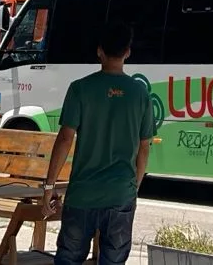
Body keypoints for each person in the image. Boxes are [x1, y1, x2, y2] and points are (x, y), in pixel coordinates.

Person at [43, 22, 154, 265]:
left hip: (82, 194)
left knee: (69, 259)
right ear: (128, 52)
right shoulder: (140, 93)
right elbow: (145, 146)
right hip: (121, 194)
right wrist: (133, 187)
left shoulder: (80, 89)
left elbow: (64, 139)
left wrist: (48, 186)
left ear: (99, 51)